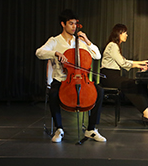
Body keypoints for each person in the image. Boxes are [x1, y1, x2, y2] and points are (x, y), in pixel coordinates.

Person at [35, 9, 106, 143]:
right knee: (54, 93)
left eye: (75, 24)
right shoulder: (55, 41)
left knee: (100, 91)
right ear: (63, 24)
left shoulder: (80, 42)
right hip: (62, 80)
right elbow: (39, 52)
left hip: (82, 80)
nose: (74, 27)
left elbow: (97, 56)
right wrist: (55, 53)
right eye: (71, 24)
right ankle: (59, 129)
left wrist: (87, 40)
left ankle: (91, 129)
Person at [100, 23, 148, 125]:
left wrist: (140, 63)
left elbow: (124, 61)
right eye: (125, 33)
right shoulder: (112, 45)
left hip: (113, 76)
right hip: (108, 77)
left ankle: (147, 113)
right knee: (133, 84)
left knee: (138, 83)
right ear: (118, 33)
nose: (126, 35)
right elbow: (123, 63)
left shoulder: (115, 46)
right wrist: (139, 64)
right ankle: (146, 114)